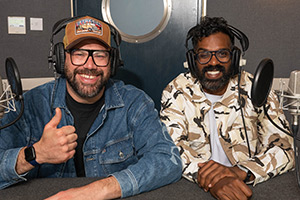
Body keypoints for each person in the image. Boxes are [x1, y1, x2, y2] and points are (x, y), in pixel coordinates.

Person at [0, 16, 182, 199]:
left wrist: (98, 190)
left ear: (112, 62)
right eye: (79, 54)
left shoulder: (134, 102)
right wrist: (35, 154)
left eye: (100, 55)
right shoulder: (31, 104)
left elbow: (168, 159)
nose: (89, 65)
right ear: (61, 58)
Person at [160, 16, 294, 200]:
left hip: (247, 185)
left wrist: (241, 172)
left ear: (235, 57)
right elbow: (171, 148)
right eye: (204, 54)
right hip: (194, 189)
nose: (213, 62)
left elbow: (285, 148)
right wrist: (213, 179)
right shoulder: (176, 90)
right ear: (193, 60)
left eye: (222, 53)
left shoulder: (254, 87)